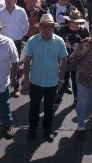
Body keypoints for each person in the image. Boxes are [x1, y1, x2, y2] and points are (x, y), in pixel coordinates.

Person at [23, 13, 68, 142]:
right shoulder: (32, 41)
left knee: (49, 108)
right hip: (35, 81)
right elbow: (27, 61)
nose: (47, 29)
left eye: (49, 26)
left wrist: (61, 79)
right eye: (44, 26)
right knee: (34, 107)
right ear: (40, 27)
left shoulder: (59, 42)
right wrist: (26, 78)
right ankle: (32, 128)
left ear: (53, 27)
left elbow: (63, 61)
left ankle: (47, 130)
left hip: (52, 82)